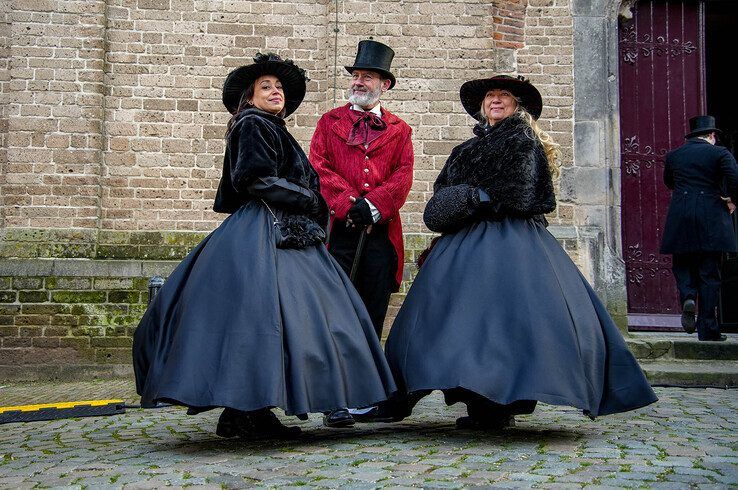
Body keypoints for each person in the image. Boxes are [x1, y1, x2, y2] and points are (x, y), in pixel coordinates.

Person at [133, 53, 396, 439]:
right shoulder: (254, 124)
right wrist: (309, 198)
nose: (276, 92)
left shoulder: (270, 125)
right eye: (266, 87)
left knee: (269, 320)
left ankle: (244, 410)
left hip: (280, 227)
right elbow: (253, 178)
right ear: (249, 97)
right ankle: (248, 408)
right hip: (266, 228)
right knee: (263, 319)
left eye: (279, 87)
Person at [381, 75, 658, 430]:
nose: (495, 100)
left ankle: (499, 402)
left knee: (507, 324)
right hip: (462, 247)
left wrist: (470, 197)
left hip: (510, 243)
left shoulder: (522, 140)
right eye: (490, 96)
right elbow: (440, 198)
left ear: (516, 104)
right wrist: (467, 198)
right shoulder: (464, 150)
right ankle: (478, 401)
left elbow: (522, 193)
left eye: (504, 95)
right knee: (460, 323)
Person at [309, 40, 413, 427]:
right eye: (355, 76)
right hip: (338, 233)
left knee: (371, 313)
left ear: (384, 84)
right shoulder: (329, 122)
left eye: (367, 76)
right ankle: (334, 398)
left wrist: (374, 205)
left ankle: (366, 396)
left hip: (381, 237)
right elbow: (317, 166)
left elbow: (404, 175)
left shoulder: (400, 130)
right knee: (334, 314)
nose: (359, 81)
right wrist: (347, 200)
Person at [660, 115, 738, 341]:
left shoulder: (674, 155)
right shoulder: (720, 153)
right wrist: (732, 199)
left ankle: (687, 296)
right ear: (712, 136)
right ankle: (708, 328)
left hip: (681, 215)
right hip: (711, 216)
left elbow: (669, 182)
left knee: (682, 264)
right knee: (709, 273)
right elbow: (734, 178)